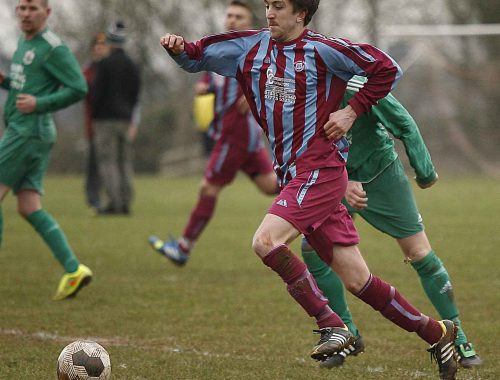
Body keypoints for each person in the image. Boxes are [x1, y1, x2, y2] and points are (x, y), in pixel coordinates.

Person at [159, 1, 460, 378]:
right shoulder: (249, 47)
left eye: (279, 6)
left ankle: (332, 324)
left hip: (320, 170)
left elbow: (387, 68)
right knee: (358, 281)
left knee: (266, 241)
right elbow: (198, 56)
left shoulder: (324, 50)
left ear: (301, 13)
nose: (269, 13)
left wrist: (352, 112)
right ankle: (437, 333)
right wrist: (177, 48)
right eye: (267, 5)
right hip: (295, 175)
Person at [301, 76, 481, 368]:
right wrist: (343, 180)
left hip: (381, 174)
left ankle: (457, 334)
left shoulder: (358, 87)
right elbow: (299, 144)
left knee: (418, 252)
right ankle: (346, 332)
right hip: (334, 178)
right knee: (312, 247)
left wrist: (424, 172)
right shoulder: (301, 91)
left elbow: (405, 125)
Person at [149, 0, 278, 265]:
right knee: (271, 186)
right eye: (229, 15)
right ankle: (324, 197)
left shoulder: (254, 52)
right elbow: (209, 74)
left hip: (235, 133)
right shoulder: (222, 51)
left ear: (250, 23)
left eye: (238, 17)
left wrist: (258, 93)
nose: (231, 20)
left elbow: (273, 75)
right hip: (244, 137)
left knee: (208, 188)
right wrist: (205, 87)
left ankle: (183, 248)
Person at [0, 0, 92, 300]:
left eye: (33, 8)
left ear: (47, 12)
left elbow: (79, 87)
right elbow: (29, 84)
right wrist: (7, 82)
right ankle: (73, 269)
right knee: (28, 206)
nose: (26, 13)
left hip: (28, 131)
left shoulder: (53, 47)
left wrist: (40, 104)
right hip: (31, 131)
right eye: (22, 8)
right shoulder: (23, 43)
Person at [91, 21, 141, 215]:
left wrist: (95, 114)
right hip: (125, 119)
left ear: (111, 42)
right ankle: (126, 202)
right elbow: (136, 93)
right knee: (125, 162)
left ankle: (114, 202)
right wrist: (129, 113)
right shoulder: (132, 65)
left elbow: (96, 93)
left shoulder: (103, 64)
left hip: (105, 120)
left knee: (108, 162)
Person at [82, 32, 108, 211]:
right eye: (97, 47)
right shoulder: (87, 71)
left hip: (111, 122)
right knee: (94, 164)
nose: (99, 50)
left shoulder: (111, 69)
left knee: (109, 164)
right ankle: (93, 197)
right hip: (93, 125)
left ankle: (110, 197)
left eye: (103, 47)